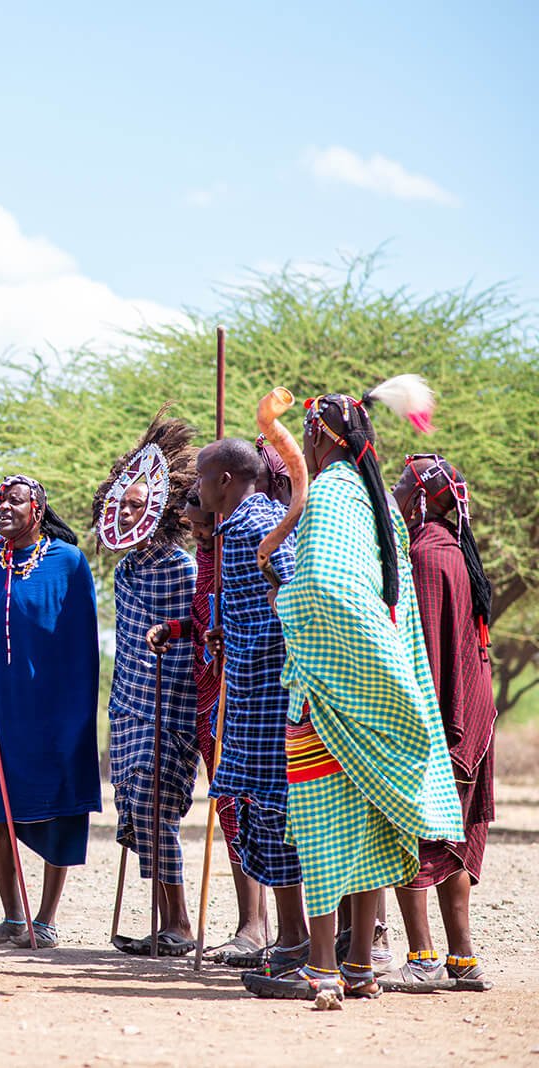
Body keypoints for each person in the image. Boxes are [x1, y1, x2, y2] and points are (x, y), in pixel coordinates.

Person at [246, 380, 463, 1001]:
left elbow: (325, 588)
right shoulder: (378, 503)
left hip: (327, 697)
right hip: (374, 696)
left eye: (306, 436)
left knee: (320, 833)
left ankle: (321, 966)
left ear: (315, 436)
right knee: (367, 828)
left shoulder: (330, 498)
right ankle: (361, 966)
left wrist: (281, 596)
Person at [0, 476, 99, 949]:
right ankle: (14, 918)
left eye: (14, 501)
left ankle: (48, 918)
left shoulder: (69, 563)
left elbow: (83, 644)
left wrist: (76, 716)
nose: (3, 507)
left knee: (61, 805)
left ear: (37, 509)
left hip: (53, 705)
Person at [380, 454, 498, 992]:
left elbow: (423, 652)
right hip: (474, 724)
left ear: (425, 498)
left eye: (403, 484)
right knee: (451, 839)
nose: (395, 491)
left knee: (410, 832)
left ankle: (424, 957)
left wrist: (409, 724)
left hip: (442, 725)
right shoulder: (451, 552)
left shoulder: (424, 556)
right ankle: (463, 958)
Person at [193, 437, 309, 977]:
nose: (195, 489)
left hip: (269, 691)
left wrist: (253, 637)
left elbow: (292, 593)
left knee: (274, 810)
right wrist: (224, 628)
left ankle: (293, 940)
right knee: (264, 811)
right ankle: (291, 938)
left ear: (224, 481)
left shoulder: (256, 525)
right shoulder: (236, 526)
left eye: (200, 478)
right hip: (248, 685)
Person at [94, 414, 200, 956]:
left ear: (159, 509)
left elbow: (199, 634)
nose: (127, 512)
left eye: (136, 505)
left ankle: (180, 922)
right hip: (129, 705)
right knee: (136, 806)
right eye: (122, 505)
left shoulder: (185, 570)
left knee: (159, 805)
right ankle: (165, 921)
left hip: (173, 705)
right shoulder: (125, 572)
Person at [148, 489, 268, 960]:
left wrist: (226, 643)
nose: (196, 534)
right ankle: (251, 927)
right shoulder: (206, 557)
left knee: (246, 809)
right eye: (192, 528)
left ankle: (255, 928)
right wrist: (175, 630)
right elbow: (204, 624)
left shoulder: (240, 552)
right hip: (205, 696)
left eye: (201, 525)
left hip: (238, 696)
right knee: (226, 807)